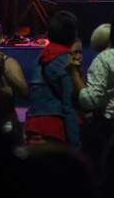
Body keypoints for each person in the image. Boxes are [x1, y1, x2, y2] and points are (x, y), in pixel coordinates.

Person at [24, 10, 79, 146]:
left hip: (32, 128)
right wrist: (75, 143)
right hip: (53, 130)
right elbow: (68, 106)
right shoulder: (66, 62)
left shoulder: (39, 58)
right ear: (73, 34)